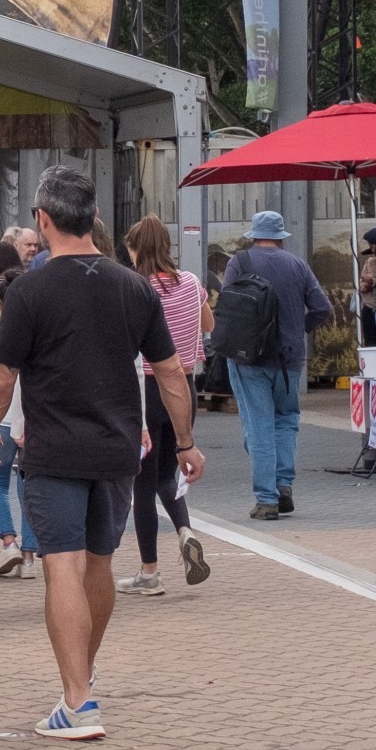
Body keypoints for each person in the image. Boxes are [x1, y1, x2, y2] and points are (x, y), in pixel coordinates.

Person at [0, 165, 200, 742]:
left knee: (61, 566)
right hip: (120, 448)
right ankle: (82, 679)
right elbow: (170, 373)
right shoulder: (134, 286)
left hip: (53, 448)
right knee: (99, 563)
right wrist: (187, 442)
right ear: (94, 219)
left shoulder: (30, 289)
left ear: (43, 221)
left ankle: (78, 700)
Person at [221, 211, 332, 520]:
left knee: (258, 425)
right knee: (286, 420)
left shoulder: (239, 262)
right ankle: (284, 487)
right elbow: (322, 308)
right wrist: (300, 328)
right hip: (290, 358)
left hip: (248, 358)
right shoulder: (298, 265)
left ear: (253, 234)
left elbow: (228, 308)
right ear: (282, 236)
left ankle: (266, 499)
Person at [122, 216, 209, 595]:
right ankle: (185, 530)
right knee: (171, 471)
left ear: (136, 249)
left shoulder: (135, 289)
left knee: (143, 483)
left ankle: (149, 571)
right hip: (184, 386)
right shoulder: (191, 283)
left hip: (145, 388)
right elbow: (208, 324)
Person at [0, 241, 35, 576]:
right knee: (27, 484)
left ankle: (8, 543)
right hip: (29, 422)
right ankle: (29, 557)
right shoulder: (36, 338)